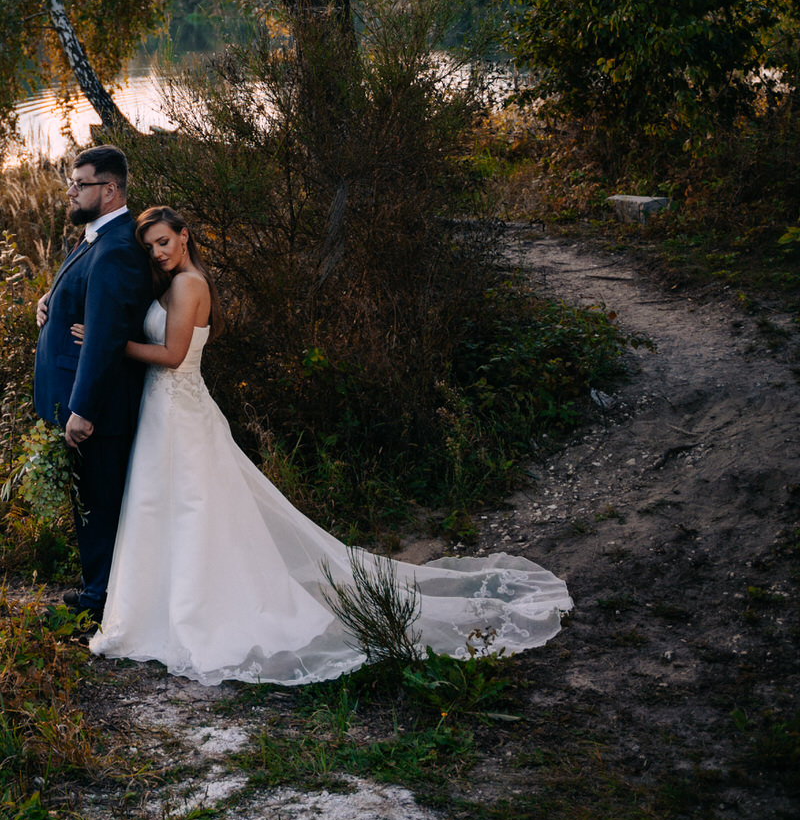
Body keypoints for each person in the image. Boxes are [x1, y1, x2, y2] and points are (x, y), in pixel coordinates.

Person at [84, 206, 572, 685]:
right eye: (149, 247)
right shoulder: (173, 283)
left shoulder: (189, 285)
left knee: (189, 509)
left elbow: (172, 355)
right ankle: (164, 610)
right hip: (166, 411)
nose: (158, 252)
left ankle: (194, 614)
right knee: (169, 508)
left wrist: (108, 343)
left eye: (164, 242)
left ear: (184, 236)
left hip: (178, 411)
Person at [32, 146, 156, 613]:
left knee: (100, 505)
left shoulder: (117, 247)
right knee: (90, 501)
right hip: (78, 399)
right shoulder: (96, 236)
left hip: (97, 409)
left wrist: (82, 409)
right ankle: (98, 588)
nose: (70, 192)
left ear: (109, 190)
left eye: (79, 184)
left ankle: (100, 600)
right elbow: (86, 296)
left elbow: (104, 340)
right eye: (71, 182)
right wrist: (50, 298)